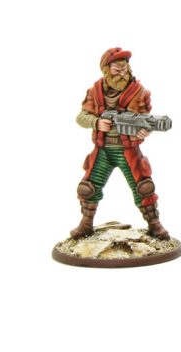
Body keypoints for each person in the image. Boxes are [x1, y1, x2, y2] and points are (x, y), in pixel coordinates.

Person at [70, 47, 169, 239]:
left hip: (128, 150)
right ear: (106, 70)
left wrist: (144, 131)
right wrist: (96, 122)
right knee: (88, 188)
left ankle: (155, 225)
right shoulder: (95, 91)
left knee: (144, 187)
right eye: (117, 70)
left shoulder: (139, 92)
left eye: (125, 69)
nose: (122, 74)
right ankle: (86, 225)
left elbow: (145, 118)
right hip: (103, 150)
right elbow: (81, 117)